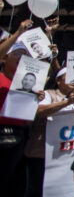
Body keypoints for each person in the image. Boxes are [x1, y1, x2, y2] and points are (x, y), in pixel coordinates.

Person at [25, 68, 74, 197]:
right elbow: (40, 111)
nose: (73, 79)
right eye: (68, 76)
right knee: (37, 190)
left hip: (64, 155)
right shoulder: (47, 94)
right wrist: (67, 102)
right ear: (58, 80)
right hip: (41, 154)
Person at [0, 19, 33, 196]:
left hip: (20, 135)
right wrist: (18, 34)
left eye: (24, 56)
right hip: (2, 133)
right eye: (17, 55)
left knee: (16, 184)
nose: (22, 60)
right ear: (6, 58)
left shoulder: (24, 82)